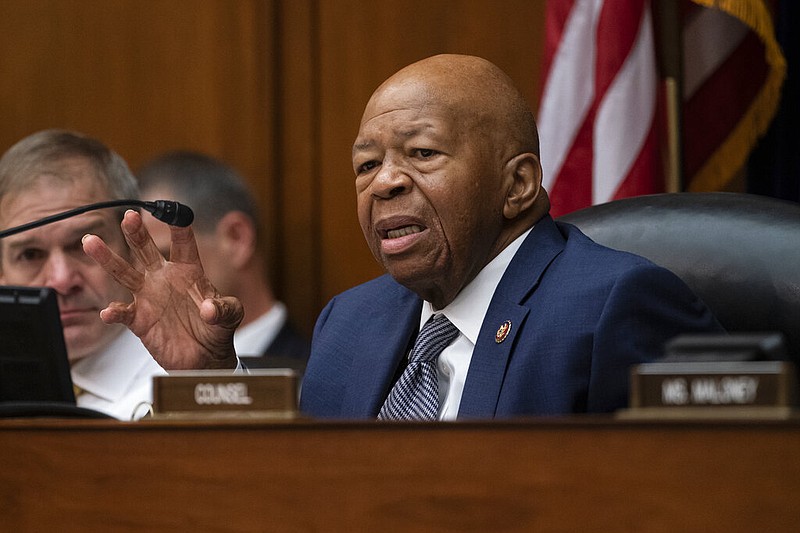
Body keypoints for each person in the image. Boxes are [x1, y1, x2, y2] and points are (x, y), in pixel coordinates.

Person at [81, 54, 724, 420]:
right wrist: (212, 378)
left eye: (421, 153)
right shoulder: (351, 322)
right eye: (366, 164)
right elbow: (296, 491)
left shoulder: (614, 305)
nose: (384, 183)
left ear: (518, 185)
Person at [0, 129, 166, 420]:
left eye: (83, 245)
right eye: (30, 255)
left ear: (135, 245)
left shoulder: (188, 381)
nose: (61, 281)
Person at [136, 151, 310, 372]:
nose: (153, 285)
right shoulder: (137, 372)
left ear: (237, 238)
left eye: (166, 258)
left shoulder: (312, 377)